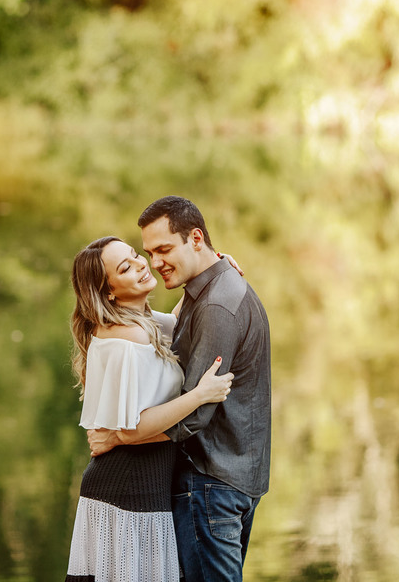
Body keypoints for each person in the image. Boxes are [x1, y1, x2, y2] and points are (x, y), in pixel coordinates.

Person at [89, 196, 272, 582]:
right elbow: (171, 328)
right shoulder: (202, 294)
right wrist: (218, 263)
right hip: (224, 480)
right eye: (148, 253)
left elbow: (195, 417)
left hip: (211, 486)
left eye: (164, 249)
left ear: (195, 238)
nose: (153, 262)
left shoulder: (214, 305)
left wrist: (120, 437)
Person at [65, 235, 235, 582]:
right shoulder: (129, 339)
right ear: (109, 291)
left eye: (134, 255)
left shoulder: (140, 324)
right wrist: (200, 395)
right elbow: (134, 427)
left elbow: (182, 319)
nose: (142, 264)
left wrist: (215, 269)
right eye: (125, 268)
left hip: (142, 485)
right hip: (128, 489)